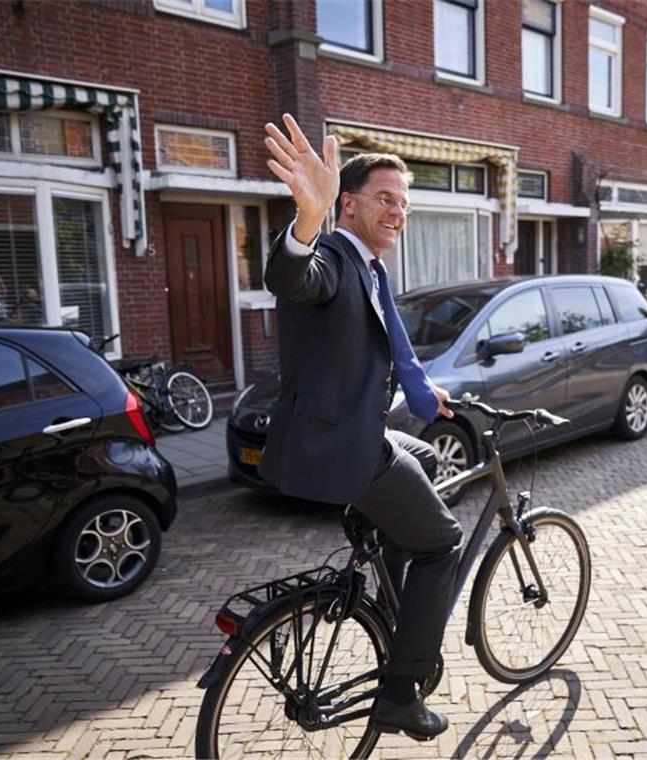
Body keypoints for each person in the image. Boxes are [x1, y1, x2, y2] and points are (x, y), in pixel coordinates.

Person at [259, 114, 462, 741]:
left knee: (422, 460)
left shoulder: (371, 269)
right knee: (444, 543)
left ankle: (396, 597)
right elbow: (291, 277)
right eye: (384, 198)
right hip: (339, 446)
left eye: (403, 201)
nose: (398, 210)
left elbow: (387, 351)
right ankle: (401, 694)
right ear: (347, 205)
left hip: (347, 434)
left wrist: (429, 392)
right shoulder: (332, 260)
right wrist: (306, 220)